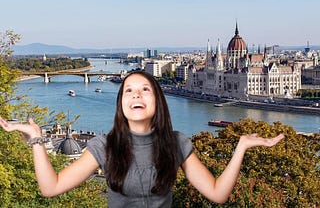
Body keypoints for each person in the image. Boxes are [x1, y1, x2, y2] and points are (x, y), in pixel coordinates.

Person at [0, 70, 284, 207]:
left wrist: (241, 147)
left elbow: (218, 194)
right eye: (128, 90)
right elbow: (52, 188)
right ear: (121, 103)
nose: (136, 94)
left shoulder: (176, 143)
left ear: (157, 101)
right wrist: (37, 139)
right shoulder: (104, 146)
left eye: (145, 89)